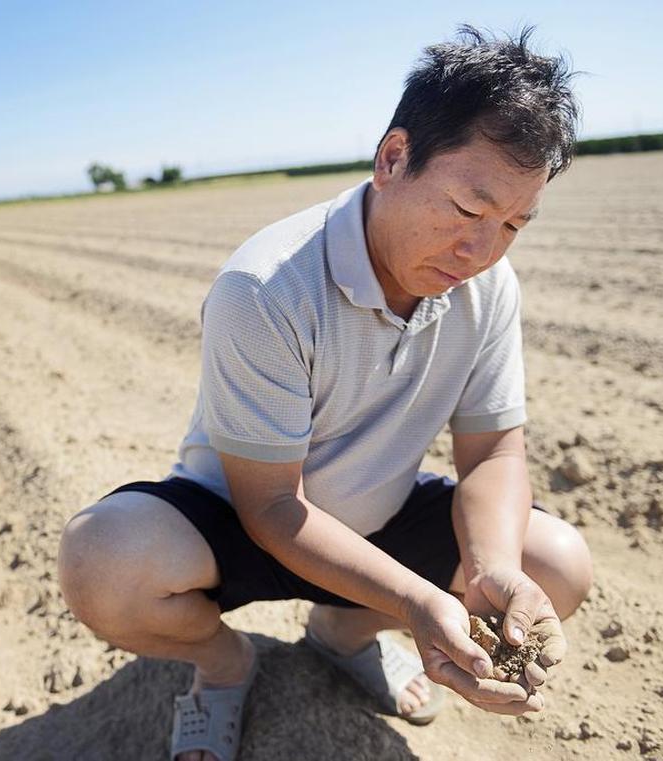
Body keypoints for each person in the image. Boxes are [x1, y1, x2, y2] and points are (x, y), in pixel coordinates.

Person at [59, 25, 593, 761]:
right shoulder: (267, 286)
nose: (482, 251)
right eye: (469, 211)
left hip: (374, 515)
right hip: (244, 516)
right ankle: (223, 664)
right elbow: (274, 506)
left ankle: (343, 631)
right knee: (102, 563)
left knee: (555, 562)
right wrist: (415, 599)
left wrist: (491, 568)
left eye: (512, 224)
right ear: (393, 158)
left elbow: (495, 450)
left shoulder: (488, 287)